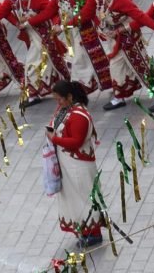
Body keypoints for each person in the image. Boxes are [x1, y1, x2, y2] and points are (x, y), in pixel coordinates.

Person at [46, 79, 104, 249]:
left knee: (84, 198)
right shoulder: (66, 109)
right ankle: (85, 231)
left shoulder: (79, 116)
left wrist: (54, 138)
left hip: (78, 165)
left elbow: (76, 141)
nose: (58, 103)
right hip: (69, 165)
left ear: (69, 96)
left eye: (60, 99)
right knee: (75, 199)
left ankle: (94, 234)